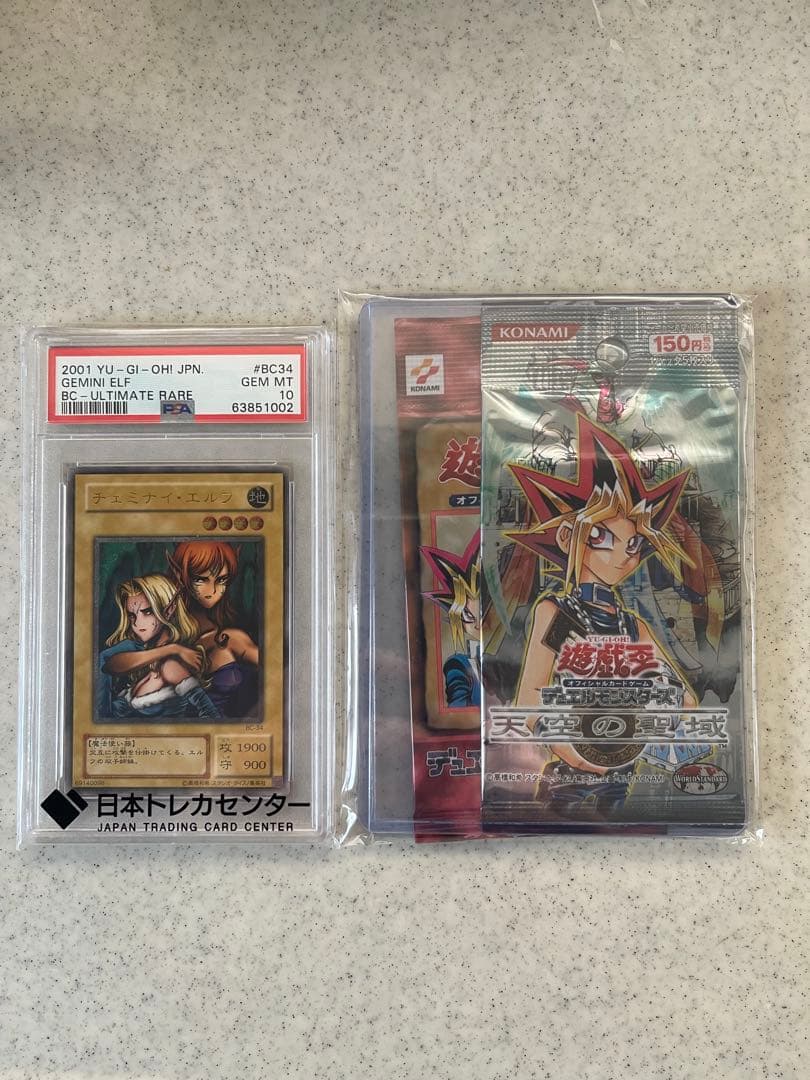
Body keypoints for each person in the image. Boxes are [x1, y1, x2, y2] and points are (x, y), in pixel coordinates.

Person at [508, 415, 697, 815]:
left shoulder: (632, 624)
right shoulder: (559, 612)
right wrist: (575, 755)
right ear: (568, 537)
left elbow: (686, 699)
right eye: (602, 537)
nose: (622, 556)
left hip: (625, 767)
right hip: (570, 774)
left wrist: (657, 718)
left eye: (633, 544)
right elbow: (529, 704)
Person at [98, 574, 220, 720]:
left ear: (169, 610)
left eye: (147, 612)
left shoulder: (171, 666)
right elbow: (109, 666)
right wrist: (171, 649)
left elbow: (211, 716)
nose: (137, 623)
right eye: (132, 616)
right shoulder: (147, 657)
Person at [167, 541, 259, 718]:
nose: (214, 590)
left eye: (221, 580)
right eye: (201, 579)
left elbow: (281, 674)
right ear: (180, 576)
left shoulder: (231, 639)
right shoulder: (163, 637)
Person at [421, 533, 481, 708]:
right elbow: (457, 710)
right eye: (468, 616)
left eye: (485, 614)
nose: (478, 625)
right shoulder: (459, 665)